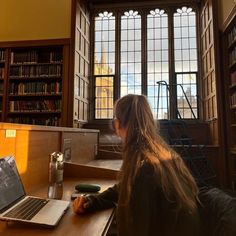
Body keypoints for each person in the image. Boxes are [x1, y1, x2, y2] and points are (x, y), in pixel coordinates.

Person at [73, 94, 201, 236]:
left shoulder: (142, 170)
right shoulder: (162, 154)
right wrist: (91, 201)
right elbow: (121, 189)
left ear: (118, 124)